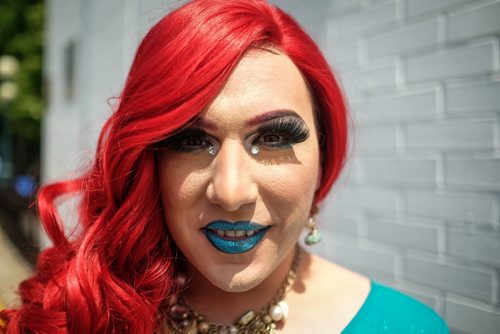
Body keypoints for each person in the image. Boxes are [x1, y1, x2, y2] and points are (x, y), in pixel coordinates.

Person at [0, 0, 449, 333]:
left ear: (324, 158)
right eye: (192, 141)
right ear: (149, 162)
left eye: (273, 138)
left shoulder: (406, 326)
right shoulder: (85, 312)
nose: (231, 193)